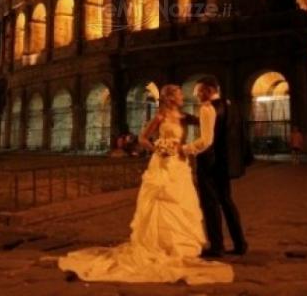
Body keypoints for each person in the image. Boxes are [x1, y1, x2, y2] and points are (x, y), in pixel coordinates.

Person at [58, 84, 234, 285]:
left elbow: (207, 127)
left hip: (179, 166)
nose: (183, 97)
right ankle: (158, 245)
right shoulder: (160, 117)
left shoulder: (185, 117)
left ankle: (180, 244)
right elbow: (142, 138)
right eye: (178, 95)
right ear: (170, 98)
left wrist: (218, 106)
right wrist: (157, 148)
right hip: (162, 164)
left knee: (180, 202)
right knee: (160, 204)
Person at [182, 77, 249, 258]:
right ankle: (240, 243)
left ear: (209, 90)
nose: (197, 96)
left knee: (210, 204)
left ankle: (217, 246)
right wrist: (196, 120)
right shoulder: (231, 105)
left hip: (209, 163)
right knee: (227, 201)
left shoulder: (207, 108)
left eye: (199, 92)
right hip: (225, 162)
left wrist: (186, 149)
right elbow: (222, 128)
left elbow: (206, 139)